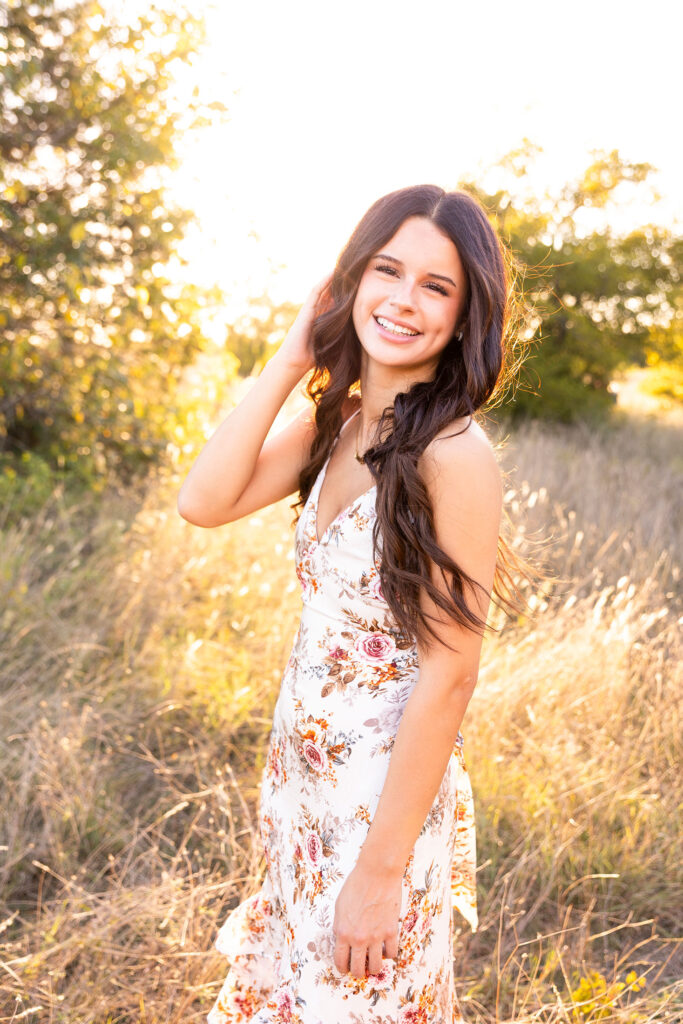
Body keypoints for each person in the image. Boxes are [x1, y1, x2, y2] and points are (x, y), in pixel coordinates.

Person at [178, 183, 530, 1024]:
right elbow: (203, 499)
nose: (404, 301)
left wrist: (379, 874)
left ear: (462, 313)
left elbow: (451, 675)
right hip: (303, 798)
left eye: (434, 287)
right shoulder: (336, 424)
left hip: (376, 814)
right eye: (387, 271)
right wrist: (294, 356)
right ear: (352, 280)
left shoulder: (454, 453)